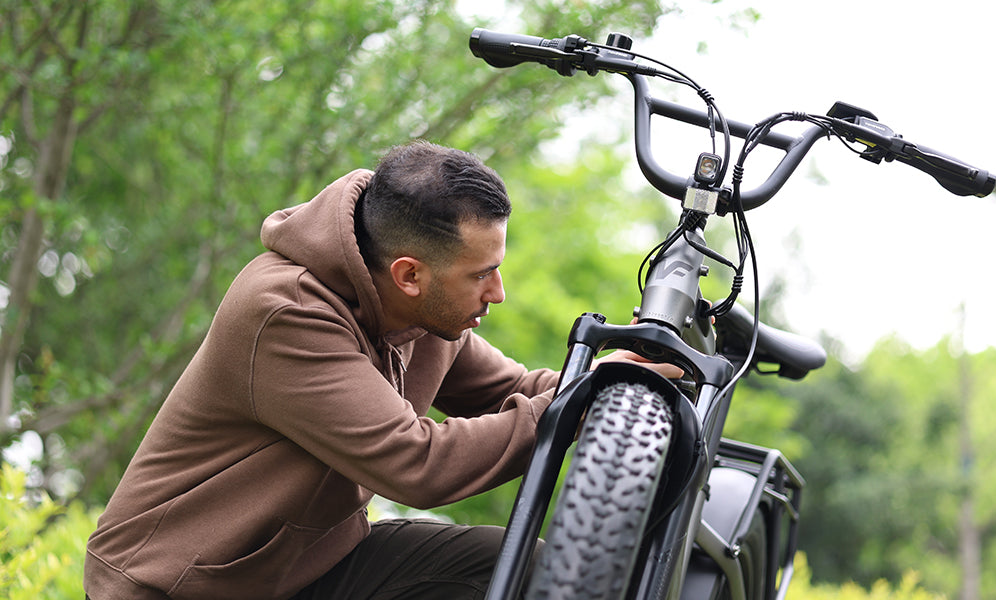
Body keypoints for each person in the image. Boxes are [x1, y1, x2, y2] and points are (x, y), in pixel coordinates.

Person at [84, 141, 679, 600]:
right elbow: (416, 463)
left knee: (535, 570)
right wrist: (578, 400)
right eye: (479, 275)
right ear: (409, 275)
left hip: (309, 567)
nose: (498, 293)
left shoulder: (426, 316)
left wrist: (616, 378)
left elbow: (517, 395)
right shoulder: (286, 312)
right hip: (184, 586)